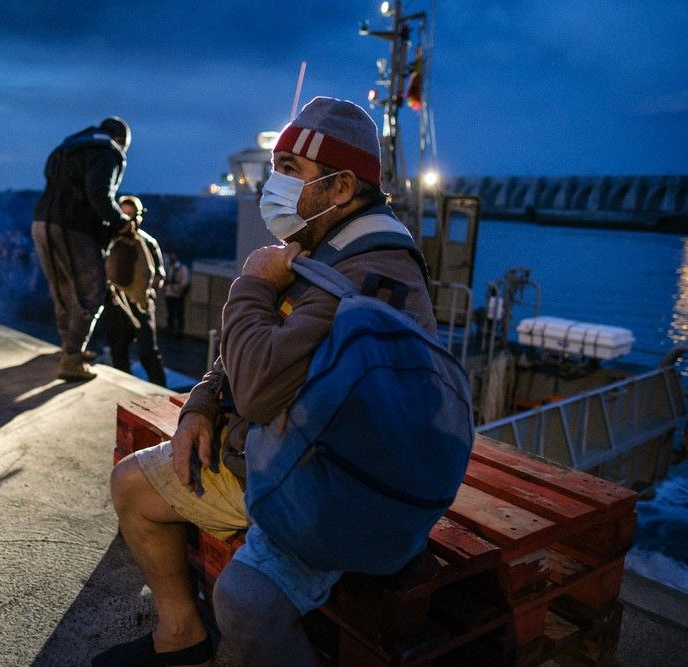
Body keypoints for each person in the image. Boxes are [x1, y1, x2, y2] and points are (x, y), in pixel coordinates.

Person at [98, 97, 436, 665]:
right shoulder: (323, 250)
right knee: (131, 484)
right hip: (282, 457)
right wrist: (202, 401)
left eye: (292, 172)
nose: (273, 185)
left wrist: (250, 284)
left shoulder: (364, 277)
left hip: (334, 486)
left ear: (342, 186)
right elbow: (240, 360)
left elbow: (257, 390)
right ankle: (180, 635)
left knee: (246, 605)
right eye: (273, 168)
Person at [32, 117, 134, 382]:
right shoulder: (107, 150)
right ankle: (72, 358)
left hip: (42, 222)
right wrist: (121, 222)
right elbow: (99, 194)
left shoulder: (67, 147)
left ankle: (70, 348)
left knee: (63, 291)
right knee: (91, 293)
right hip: (72, 227)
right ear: (121, 140)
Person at [102, 195, 167, 386]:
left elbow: (159, 275)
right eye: (122, 214)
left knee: (148, 353)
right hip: (115, 305)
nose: (127, 218)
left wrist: (142, 289)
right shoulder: (110, 241)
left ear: (139, 217)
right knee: (118, 351)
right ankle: (124, 391)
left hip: (141, 305)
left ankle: (161, 392)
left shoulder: (148, 243)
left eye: (131, 214)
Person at [162, 250, 190, 337]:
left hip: (177, 293)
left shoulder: (182, 268)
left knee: (178, 312)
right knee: (170, 312)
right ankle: (170, 328)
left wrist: (178, 288)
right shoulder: (169, 267)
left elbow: (185, 281)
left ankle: (179, 330)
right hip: (169, 292)